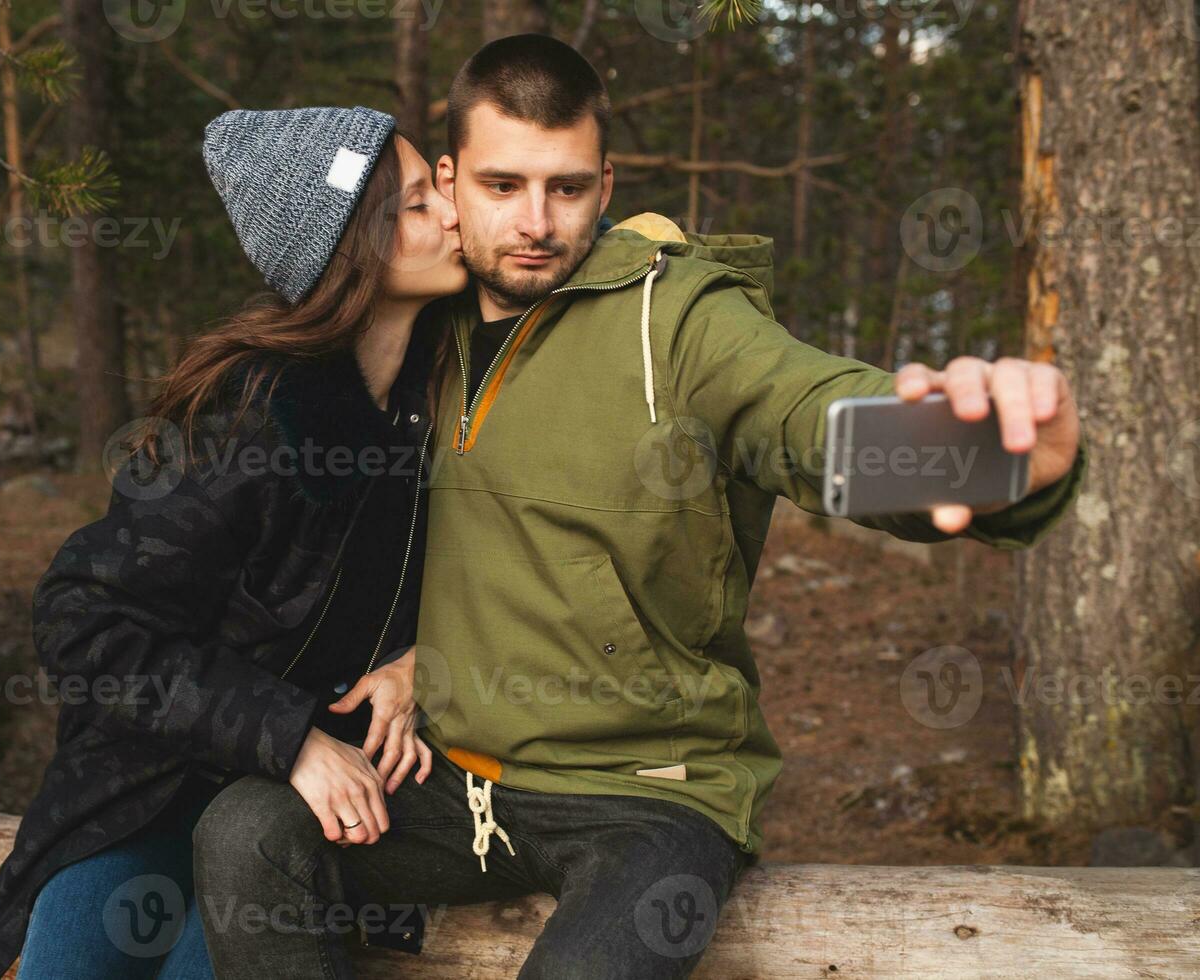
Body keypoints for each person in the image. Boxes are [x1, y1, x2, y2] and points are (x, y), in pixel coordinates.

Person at [192, 35, 1090, 980]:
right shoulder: (425, 327)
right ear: (450, 180)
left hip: (649, 795)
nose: (535, 222)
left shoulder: (681, 321)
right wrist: (421, 658)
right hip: (455, 783)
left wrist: (990, 455)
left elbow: (804, 413)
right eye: (503, 187)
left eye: (567, 188)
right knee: (247, 834)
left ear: (607, 182)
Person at [0, 104, 466, 979]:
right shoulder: (251, 418)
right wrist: (291, 737)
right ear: (352, 247)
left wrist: (430, 658)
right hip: (149, 790)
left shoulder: (448, 393)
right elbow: (84, 621)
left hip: (298, 817)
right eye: (420, 203)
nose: (456, 214)